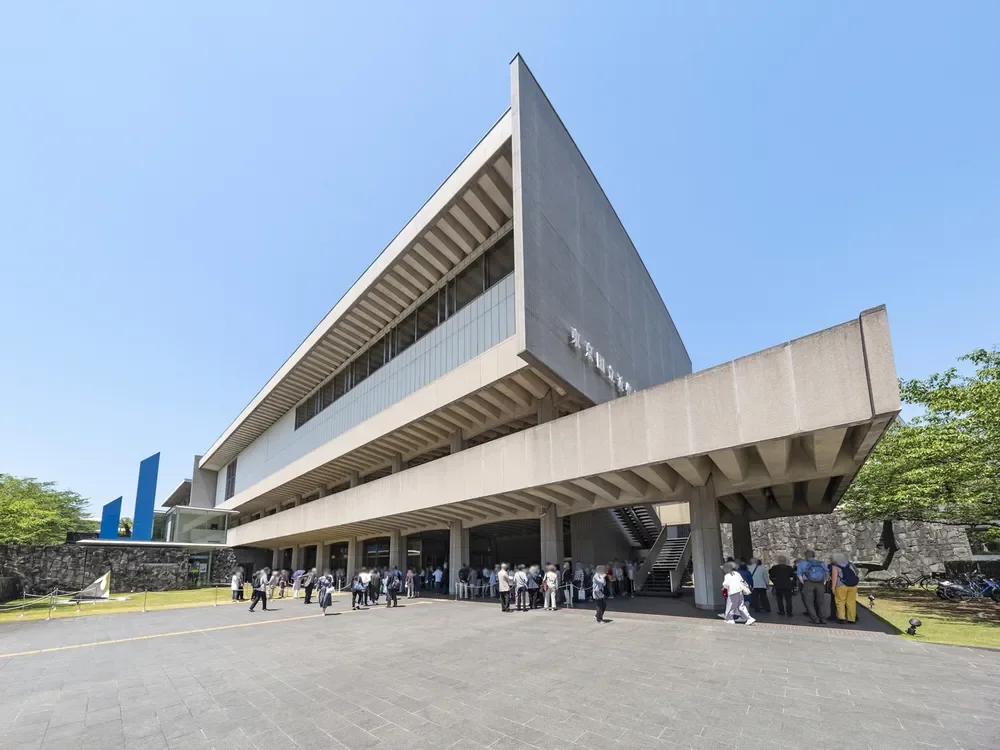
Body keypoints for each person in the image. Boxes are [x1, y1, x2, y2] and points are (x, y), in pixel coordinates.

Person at [796, 550, 829, 624]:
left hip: (808, 583)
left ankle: (815, 619)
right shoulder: (821, 563)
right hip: (820, 583)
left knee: (809, 602)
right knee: (821, 602)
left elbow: (799, 575)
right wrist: (823, 581)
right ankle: (823, 618)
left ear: (805, 556)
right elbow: (827, 573)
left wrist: (803, 583)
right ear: (814, 555)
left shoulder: (802, 563)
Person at [831, 552, 860, 624]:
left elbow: (834, 577)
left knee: (840, 601)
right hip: (853, 585)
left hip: (841, 585)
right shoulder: (851, 565)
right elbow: (856, 573)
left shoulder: (835, 566)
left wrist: (833, 587)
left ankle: (842, 618)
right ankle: (851, 619)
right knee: (851, 602)